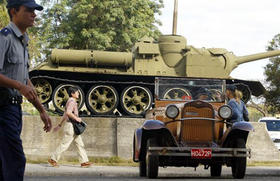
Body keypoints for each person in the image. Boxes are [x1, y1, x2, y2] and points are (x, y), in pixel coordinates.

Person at [0, 0, 52, 180]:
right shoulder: (4, 37)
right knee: (15, 160)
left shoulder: (23, 41)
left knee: (5, 163)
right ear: (14, 11)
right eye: (29, 10)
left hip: (14, 110)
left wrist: (42, 110)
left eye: (35, 10)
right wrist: (19, 86)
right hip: (3, 109)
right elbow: (20, 84)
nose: (34, 14)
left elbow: (25, 81)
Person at [48, 87, 92, 168]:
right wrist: (77, 118)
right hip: (71, 126)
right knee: (65, 144)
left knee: (79, 144)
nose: (78, 94)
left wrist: (60, 125)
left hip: (72, 126)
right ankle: (53, 159)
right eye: (77, 92)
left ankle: (84, 162)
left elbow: (65, 114)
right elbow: (68, 113)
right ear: (72, 94)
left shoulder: (69, 101)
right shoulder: (72, 101)